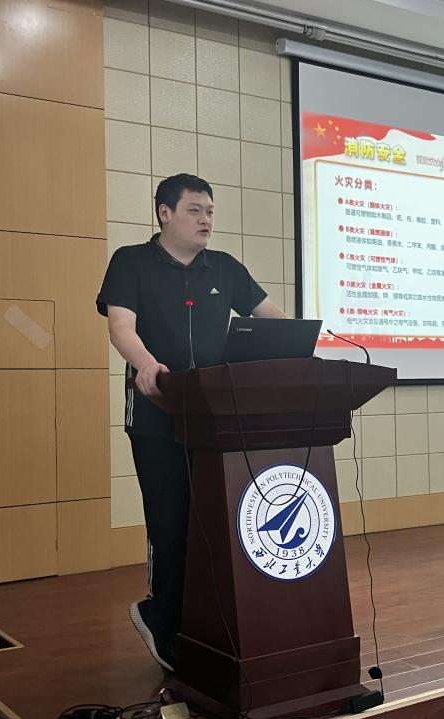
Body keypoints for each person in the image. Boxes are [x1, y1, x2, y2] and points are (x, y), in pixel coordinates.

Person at [96, 173, 287, 671]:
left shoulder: (224, 267)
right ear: (165, 213)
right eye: (195, 210)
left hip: (216, 418)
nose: (206, 220)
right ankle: (161, 617)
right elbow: (121, 327)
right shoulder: (131, 262)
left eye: (210, 212)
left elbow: (275, 320)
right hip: (157, 412)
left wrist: (307, 347)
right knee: (171, 521)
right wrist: (145, 364)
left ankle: (211, 621)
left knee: (215, 523)